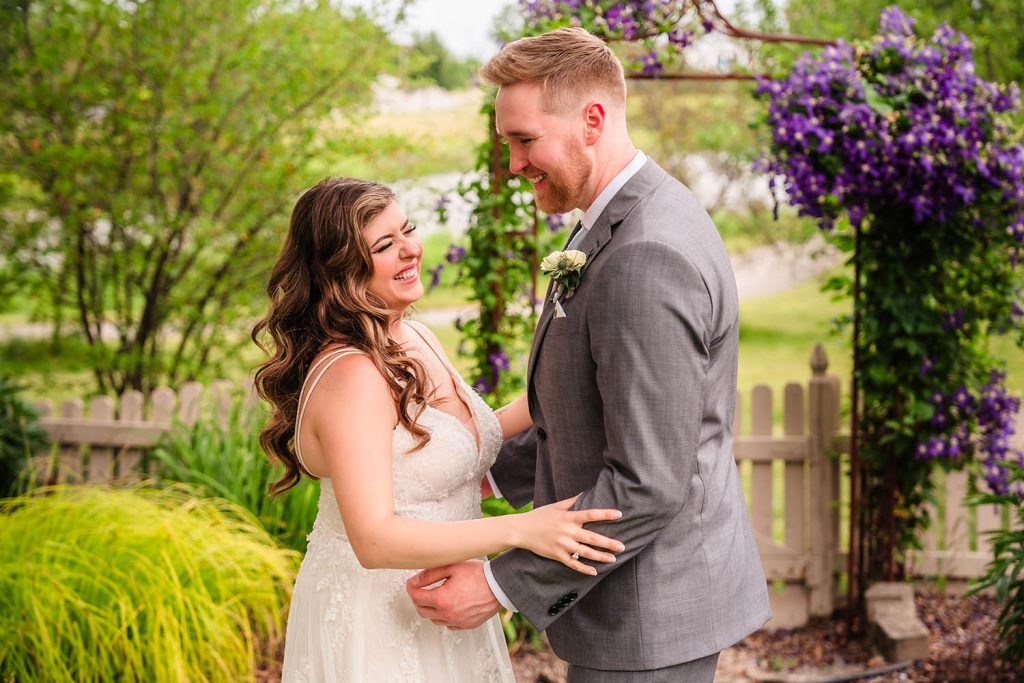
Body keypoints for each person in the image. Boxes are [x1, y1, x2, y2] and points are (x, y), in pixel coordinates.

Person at [405, 27, 771, 682]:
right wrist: (478, 471)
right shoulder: (619, 219)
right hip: (632, 605)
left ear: (591, 120)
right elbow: (584, 411)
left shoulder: (646, 256)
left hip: (646, 615)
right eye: (506, 142)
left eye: (524, 140)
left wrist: (501, 583)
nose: (513, 164)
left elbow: (648, 481)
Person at [251, 177, 626, 682]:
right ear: (339, 273)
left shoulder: (412, 334)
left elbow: (468, 435)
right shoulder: (353, 374)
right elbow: (374, 539)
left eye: (407, 230)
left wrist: (585, 375)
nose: (411, 250)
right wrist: (522, 530)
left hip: (444, 600)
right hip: (379, 617)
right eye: (385, 246)